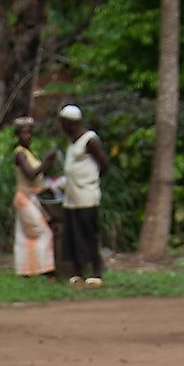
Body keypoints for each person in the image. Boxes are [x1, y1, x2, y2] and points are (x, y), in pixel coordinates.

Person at [55, 103, 112, 288]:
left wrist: (90, 180)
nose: (62, 127)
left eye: (63, 123)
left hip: (86, 195)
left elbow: (104, 164)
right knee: (73, 235)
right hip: (71, 198)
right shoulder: (72, 141)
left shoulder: (90, 140)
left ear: (70, 123)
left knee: (89, 234)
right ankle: (78, 272)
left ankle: (96, 271)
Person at [10, 118, 55, 279]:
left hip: (32, 196)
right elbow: (31, 174)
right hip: (25, 197)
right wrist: (46, 161)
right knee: (43, 231)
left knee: (25, 234)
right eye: (24, 133)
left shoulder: (29, 153)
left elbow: (40, 174)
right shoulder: (20, 154)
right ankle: (46, 269)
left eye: (29, 133)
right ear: (18, 135)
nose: (27, 136)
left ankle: (26, 270)